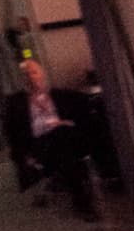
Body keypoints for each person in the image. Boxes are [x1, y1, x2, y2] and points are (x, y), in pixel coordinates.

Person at [5, 59, 97, 220]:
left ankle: (79, 197)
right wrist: (25, 156)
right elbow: (12, 134)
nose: (30, 77)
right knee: (63, 145)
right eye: (25, 75)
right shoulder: (16, 103)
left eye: (33, 72)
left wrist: (67, 122)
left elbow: (85, 106)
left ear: (41, 74)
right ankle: (82, 201)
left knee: (62, 137)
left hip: (64, 139)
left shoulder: (58, 95)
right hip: (38, 144)